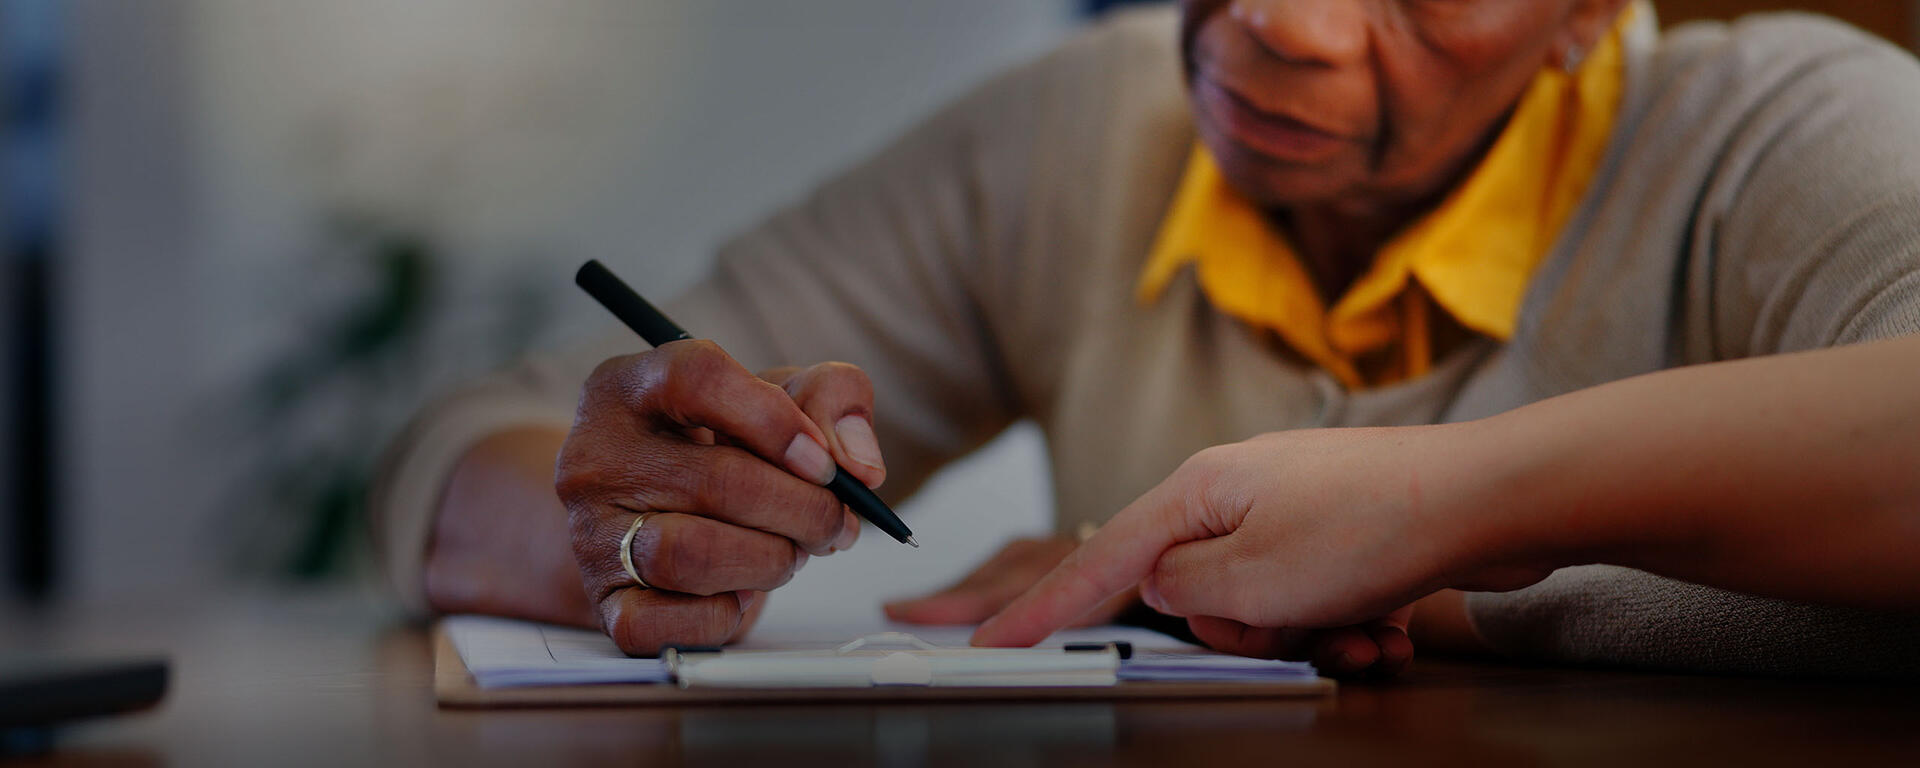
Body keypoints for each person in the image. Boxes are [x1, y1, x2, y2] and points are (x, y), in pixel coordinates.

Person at [373, 0, 1920, 679]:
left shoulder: (1771, 135)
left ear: (1595, 10)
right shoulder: (1084, 128)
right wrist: (616, 517)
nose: (1285, 25)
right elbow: (458, 452)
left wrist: (1420, 548)